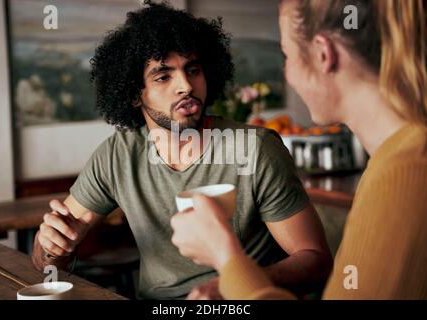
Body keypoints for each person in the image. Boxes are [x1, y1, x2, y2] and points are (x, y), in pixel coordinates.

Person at [31, 1, 333, 300]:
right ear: (135, 94)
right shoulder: (117, 155)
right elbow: (45, 262)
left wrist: (237, 284)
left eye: (193, 70)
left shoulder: (257, 149)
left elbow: (316, 260)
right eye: (164, 76)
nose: (186, 86)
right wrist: (53, 248)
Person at [171, 0, 427, 299]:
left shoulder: (406, 172)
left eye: (287, 55)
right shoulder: (391, 160)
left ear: (322, 54)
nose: (287, 73)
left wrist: (225, 255)